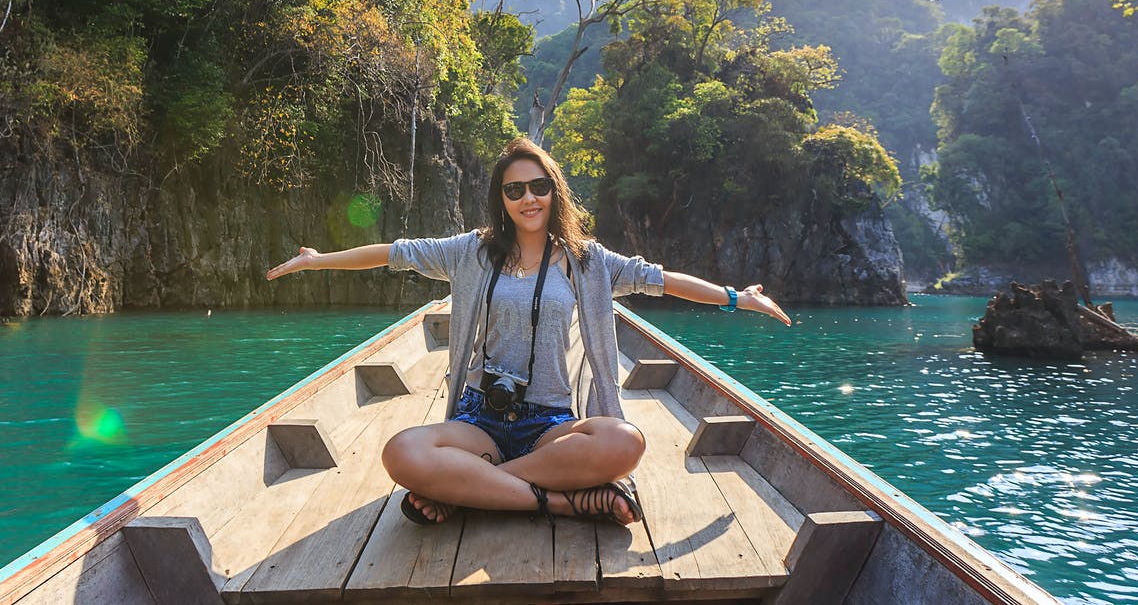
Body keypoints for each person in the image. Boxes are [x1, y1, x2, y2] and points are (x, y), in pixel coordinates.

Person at [265, 136, 790, 526]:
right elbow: (392, 253)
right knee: (401, 453)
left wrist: (736, 299)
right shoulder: (471, 251)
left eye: (539, 186)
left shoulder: (589, 262)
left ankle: (468, 491)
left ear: (553, 191)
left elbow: (662, 280)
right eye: (514, 189)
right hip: (481, 420)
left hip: (550, 425)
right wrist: (317, 260)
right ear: (503, 198)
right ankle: (559, 501)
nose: (528, 198)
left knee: (623, 441)